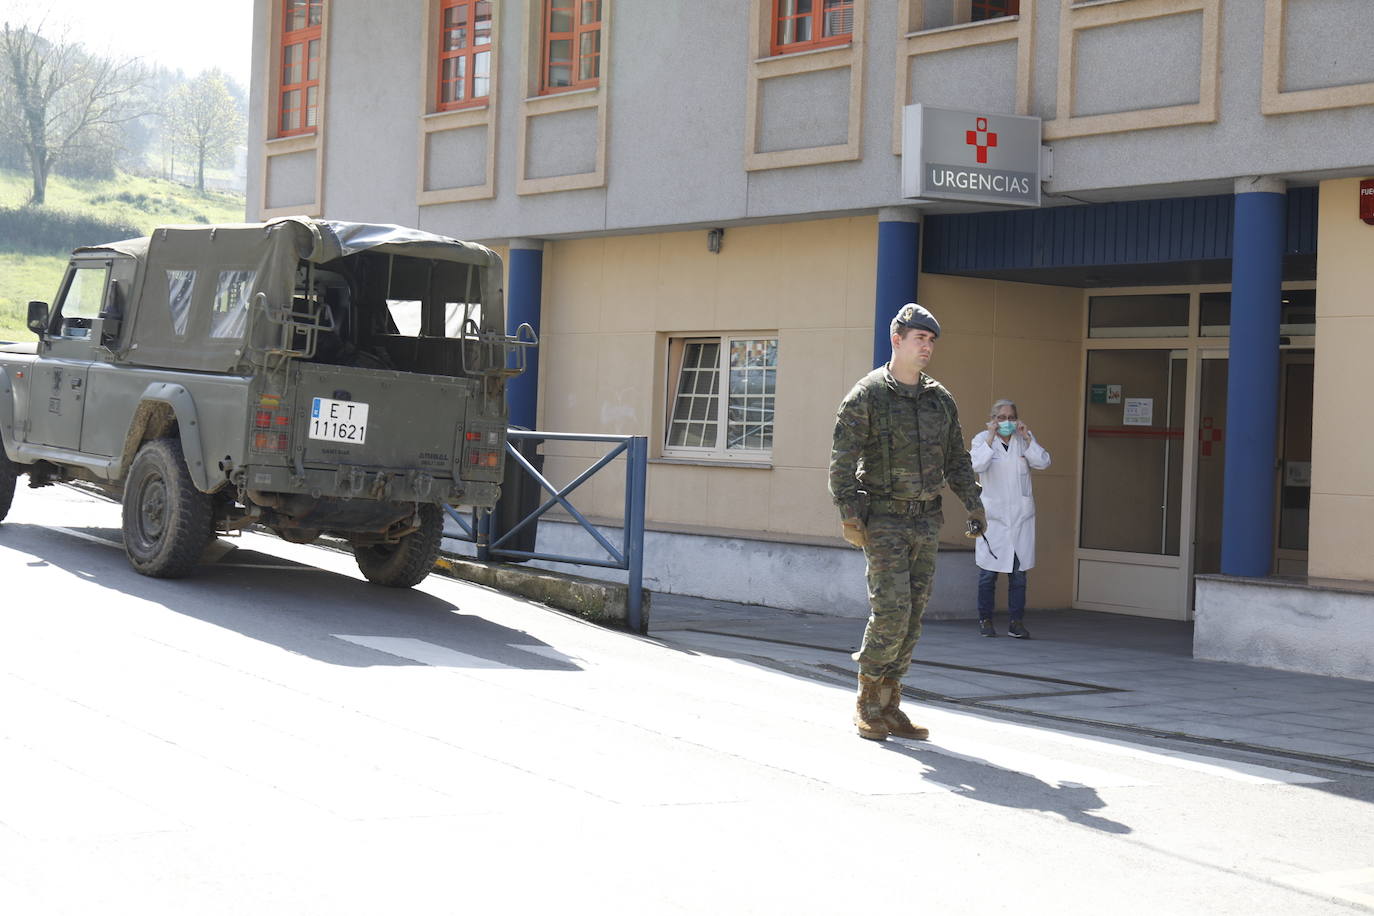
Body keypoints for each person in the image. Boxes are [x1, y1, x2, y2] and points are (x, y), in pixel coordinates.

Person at [829, 303, 985, 742]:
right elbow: (841, 462)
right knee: (891, 611)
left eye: (932, 340)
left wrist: (973, 504)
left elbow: (956, 457)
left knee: (914, 615)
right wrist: (848, 514)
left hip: (925, 521)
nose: (927, 347)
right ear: (896, 339)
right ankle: (867, 701)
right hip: (883, 519)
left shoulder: (940, 399)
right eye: (920, 339)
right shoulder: (868, 394)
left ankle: (892, 704)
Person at [969, 399, 1051, 639]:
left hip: (1020, 519)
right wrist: (991, 437)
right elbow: (976, 464)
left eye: (1011, 417)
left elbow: (1043, 462)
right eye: (1001, 417)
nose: (1006, 422)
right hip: (994, 519)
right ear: (992, 419)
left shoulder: (1023, 440)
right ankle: (985, 619)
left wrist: (1027, 438)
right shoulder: (982, 439)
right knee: (988, 575)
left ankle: (1016, 622)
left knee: (1019, 575)